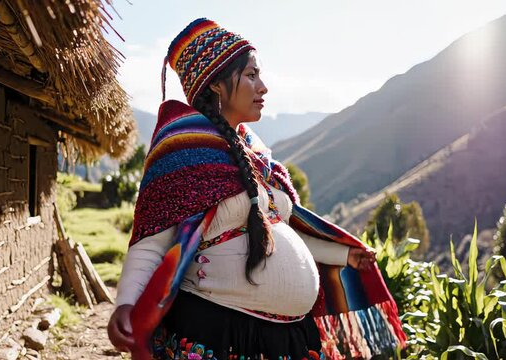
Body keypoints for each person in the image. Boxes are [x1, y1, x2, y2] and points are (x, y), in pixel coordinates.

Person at [108, 18, 405, 360]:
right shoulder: (182, 149)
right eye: (251, 75)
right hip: (220, 332)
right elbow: (152, 240)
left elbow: (272, 232)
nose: (263, 87)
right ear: (217, 84)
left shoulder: (255, 152)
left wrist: (343, 255)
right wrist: (127, 302)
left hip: (283, 338)